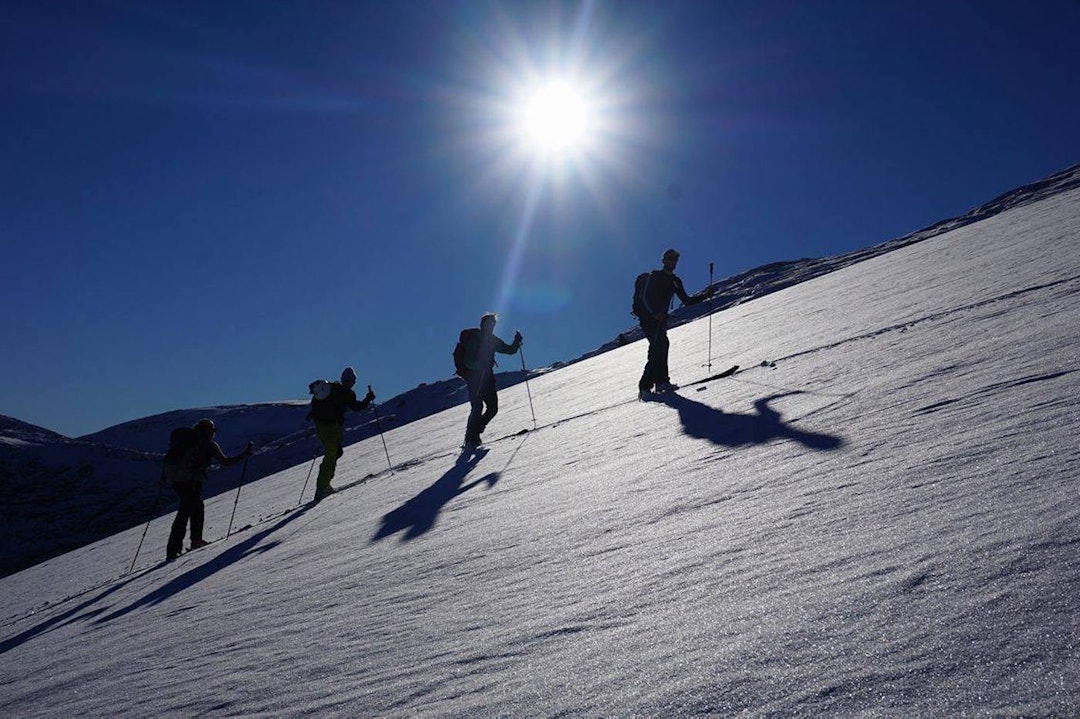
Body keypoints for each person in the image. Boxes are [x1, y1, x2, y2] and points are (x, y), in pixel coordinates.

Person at [163, 419, 252, 560]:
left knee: (190, 509)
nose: (213, 434)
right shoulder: (209, 446)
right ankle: (188, 544)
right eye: (212, 431)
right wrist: (243, 455)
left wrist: (164, 478)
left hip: (179, 482)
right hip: (193, 481)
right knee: (191, 508)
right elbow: (225, 462)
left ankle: (178, 547)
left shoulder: (186, 443)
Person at [635, 248, 712, 398]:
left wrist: (705, 295)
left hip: (660, 319)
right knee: (658, 346)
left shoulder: (675, 281)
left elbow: (686, 300)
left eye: (675, 260)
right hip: (649, 318)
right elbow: (645, 298)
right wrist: (654, 313)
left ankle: (660, 383)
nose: (673, 262)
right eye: (670, 259)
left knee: (661, 346)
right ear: (663, 260)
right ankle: (646, 386)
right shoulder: (655, 276)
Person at [306, 366, 376, 501]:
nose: (354, 383)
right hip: (333, 427)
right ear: (350, 380)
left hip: (320, 426)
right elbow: (357, 407)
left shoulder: (329, 389)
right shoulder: (347, 393)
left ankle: (324, 485)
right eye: (353, 380)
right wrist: (368, 398)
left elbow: (315, 404)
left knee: (334, 453)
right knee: (331, 455)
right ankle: (322, 488)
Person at [460, 313, 522, 449]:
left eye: (493, 325)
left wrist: (516, 342)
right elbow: (468, 361)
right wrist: (480, 365)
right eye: (489, 324)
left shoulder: (492, 340)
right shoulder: (474, 339)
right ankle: (471, 438)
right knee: (477, 407)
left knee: (492, 408)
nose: (491, 327)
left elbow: (509, 350)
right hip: (475, 379)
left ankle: (475, 431)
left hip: (487, 378)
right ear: (483, 325)